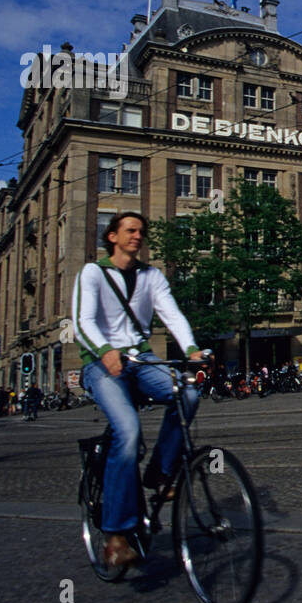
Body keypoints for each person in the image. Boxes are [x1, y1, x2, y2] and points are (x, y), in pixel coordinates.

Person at [72, 211, 203, 570]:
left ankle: (160, 471)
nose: (138, 236)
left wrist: (191, 349)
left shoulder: (151, 276)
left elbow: (171, 313)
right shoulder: (93, 273)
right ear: (112, 236)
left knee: (188, 391)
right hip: (101, 363)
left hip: (141, 359)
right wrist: (104, 351)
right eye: (130, 230)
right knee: (128, 431)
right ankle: (115, 535)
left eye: (141, 231)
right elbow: (82, 322)